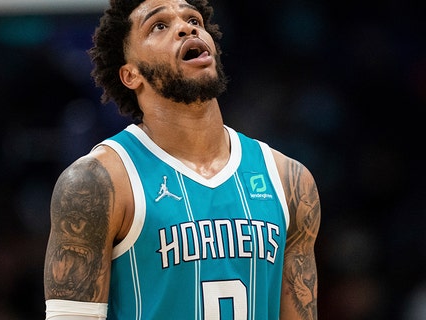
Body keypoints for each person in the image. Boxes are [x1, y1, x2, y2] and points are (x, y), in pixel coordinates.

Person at [43, 0, 321, 319]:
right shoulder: (97, 182)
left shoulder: (289, 180)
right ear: (130, 74)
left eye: (194, 20)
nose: (188, 27)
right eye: (159, 25)